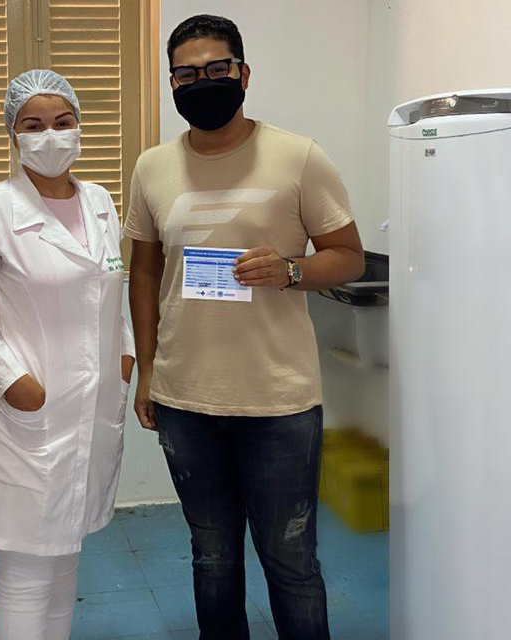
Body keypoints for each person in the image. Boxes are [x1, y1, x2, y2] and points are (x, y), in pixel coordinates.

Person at [124, 15, 366, 640]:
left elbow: (348, 256)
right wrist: (147, 370)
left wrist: (289, 270)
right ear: (171, 81)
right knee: (212, 556)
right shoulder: (152, 167)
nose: (202, 81)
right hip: (186, 397)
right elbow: (145, 273)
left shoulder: (297, 156)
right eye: (186, 73)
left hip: (279, 398)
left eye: (216, 69)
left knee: (290, 559)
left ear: (243, 73)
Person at [0, 69, 135, 640]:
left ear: (78, 127)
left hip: (90, 410)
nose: (50, 135)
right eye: (34, 125)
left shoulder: (100, 202)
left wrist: (123, 359)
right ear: (13, 134)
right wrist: (11, 380)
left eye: (62, 122)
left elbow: (111, 293)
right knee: (25, 574)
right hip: (22, 412)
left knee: (65, 559)